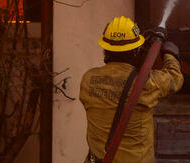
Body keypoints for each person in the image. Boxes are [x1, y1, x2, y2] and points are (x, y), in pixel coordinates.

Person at [79, 16, 184, 163]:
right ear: (135, 51)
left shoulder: (88, 79)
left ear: (106, 49)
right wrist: (170, 54)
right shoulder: (145, 83)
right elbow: (174, 79)